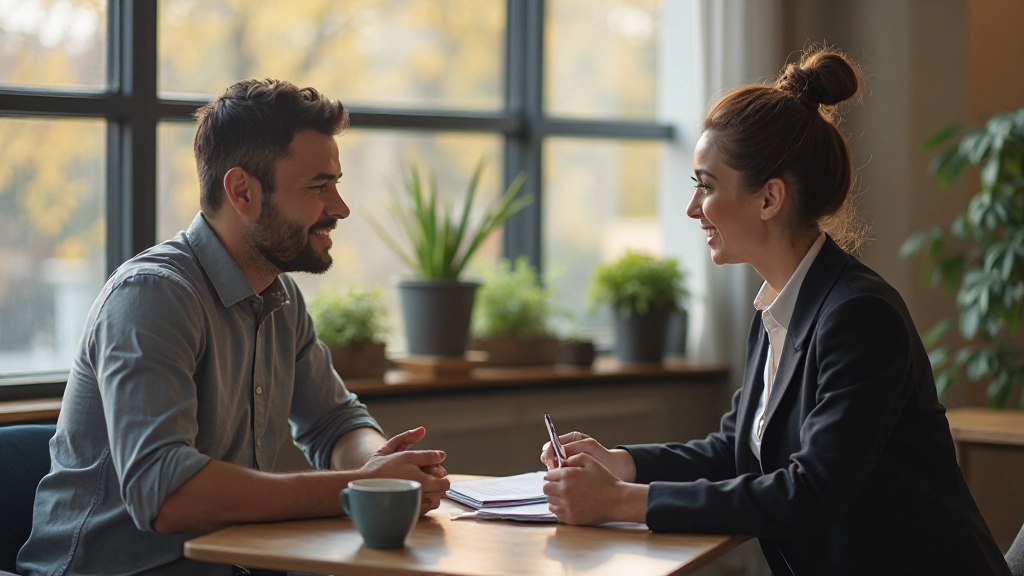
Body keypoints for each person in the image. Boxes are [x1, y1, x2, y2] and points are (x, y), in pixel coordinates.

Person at [540, 50, 1011, 575]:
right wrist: (622, 464)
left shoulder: (859, 317)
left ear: (769, 199)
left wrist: (623, 502)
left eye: (707, 185)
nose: (694, 209)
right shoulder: (779, 305)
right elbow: (739, 448)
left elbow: (810, 492)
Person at [17, 79, 450, 576]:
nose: (340, 207)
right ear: (242, 191)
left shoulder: (280, 298)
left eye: (336, 183)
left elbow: (335, 422)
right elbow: (168, 495)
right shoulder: (152, 296)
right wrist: (356, 488)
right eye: (318, 185)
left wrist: (386, 469)